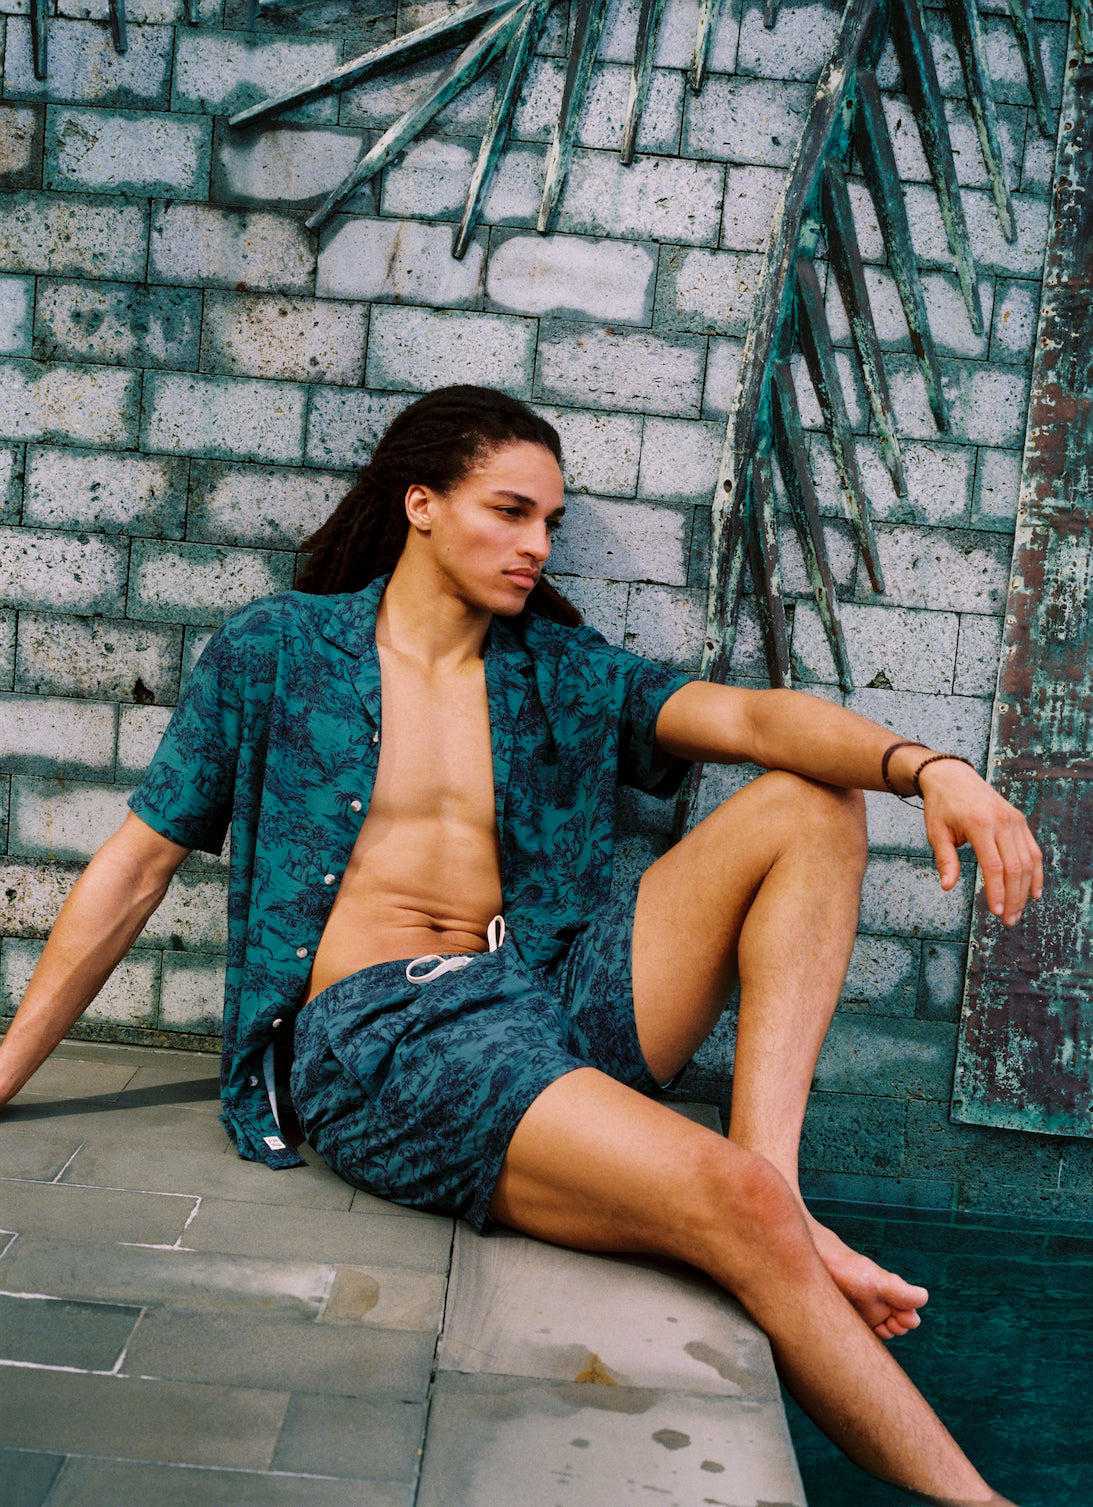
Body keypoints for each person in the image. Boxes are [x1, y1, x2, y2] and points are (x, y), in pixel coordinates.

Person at [0, 386, 1040, 1504]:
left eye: (550, 521)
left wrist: (929, 767)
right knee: (727, 1204)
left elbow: (748, 719)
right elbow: (137, 865)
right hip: (392, 1028)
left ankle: (775, 1187)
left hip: (545, 987)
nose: (538, 545)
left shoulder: (556, 666)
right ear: (422, 504)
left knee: (813, 801)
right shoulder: (281, 650)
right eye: (510, 511)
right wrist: (7, 1069)